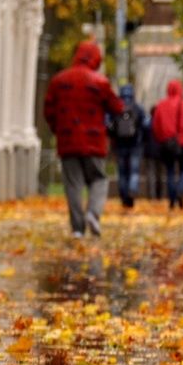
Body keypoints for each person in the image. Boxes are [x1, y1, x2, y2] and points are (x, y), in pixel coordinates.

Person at [42, 39, 123, 237]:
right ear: (96, 59)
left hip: (68, 140)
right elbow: (117, 108)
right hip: (94, 142)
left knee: (73, 184)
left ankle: (77, 228)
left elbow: (48, 110)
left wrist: (58, 129)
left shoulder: (59, 81)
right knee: (99, 179)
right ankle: (93, 214)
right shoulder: (100, 82)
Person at [150, 80, 183, 210]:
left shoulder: (161, 105)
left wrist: (161, 139)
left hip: (167, 143)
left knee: (170, 171)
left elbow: (156, 126)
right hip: (182, 142)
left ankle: (172, 198)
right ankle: (181, 189)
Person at [108, 84, 148, 209]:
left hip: (120, 146)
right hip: (135, 145)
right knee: (134, 170)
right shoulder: (137, 108)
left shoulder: (115, 108)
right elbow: (147, 124)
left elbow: (109, 126)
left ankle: (124, 195)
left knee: (122, 172)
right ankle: (132, 188)